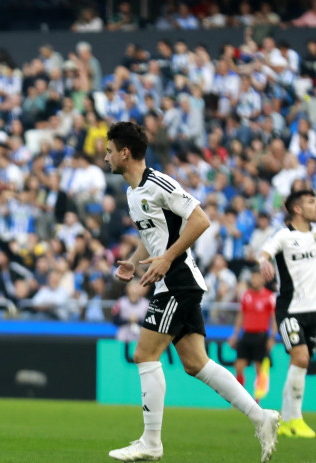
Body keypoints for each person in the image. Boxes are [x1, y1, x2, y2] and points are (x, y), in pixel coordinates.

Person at [105, 121, 279, 462]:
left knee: (144, 354)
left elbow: (200, 219)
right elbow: (153, 234)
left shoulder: (159, 182)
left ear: (125, 153)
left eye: (110, 150)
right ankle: (262, 417)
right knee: (196, 363)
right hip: (172, 280)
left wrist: (167, 259)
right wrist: (135, 262)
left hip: (178, 280)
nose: (107, 156)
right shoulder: (133, 192)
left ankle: (151, 442)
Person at [258, 188, 316, 438]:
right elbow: (265, 252)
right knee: (301, 358)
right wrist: (264, 262)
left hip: (313, 311)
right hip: (290, 309)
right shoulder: (284, 236)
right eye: (312, 202)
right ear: (297, 209)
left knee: (299, 363)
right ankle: (297, 419)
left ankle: (286, 420)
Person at [227, 268, 276, 402]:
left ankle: (257, 401)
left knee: (260, 370)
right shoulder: (246, 295)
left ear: (263, 279)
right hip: (247, 334)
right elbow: (241, 316)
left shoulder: (269, 296)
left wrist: (272, 337)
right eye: (253, 277)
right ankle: (239, 398)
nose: (254, 280)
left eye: (257, 277)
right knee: (239, 366)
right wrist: (235, 335)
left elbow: (274, 318)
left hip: (261, 336)